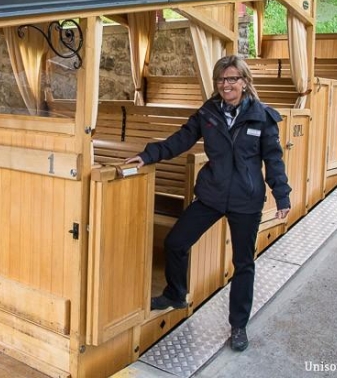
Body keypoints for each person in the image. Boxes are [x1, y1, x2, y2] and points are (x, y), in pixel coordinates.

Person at [125, 55, 291, 352]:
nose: (226, 85)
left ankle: (238, 326)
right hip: (212, 195)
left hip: (246, 201)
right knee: (176, 242)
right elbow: (180, 140)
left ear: (244, 81)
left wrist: (282, 195)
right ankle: (176, 293)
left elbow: (273, 160)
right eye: (221, 80)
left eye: (232, 79)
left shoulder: (261, 116)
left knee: (243, 264)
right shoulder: (208, 113)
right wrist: (148, 155)